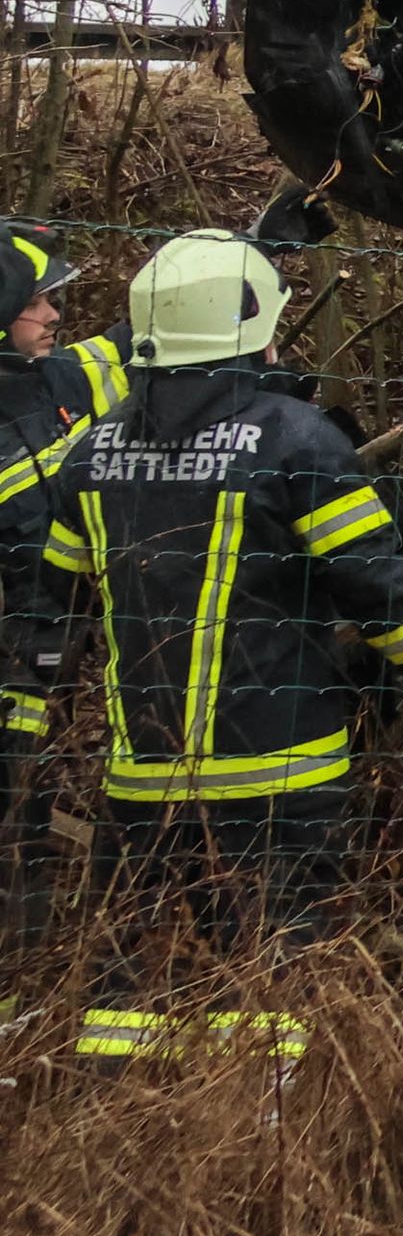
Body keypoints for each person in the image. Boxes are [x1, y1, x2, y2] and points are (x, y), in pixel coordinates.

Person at [10, 228, 403, 1068]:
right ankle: (260, 1123)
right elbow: (381, 593)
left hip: (142, 784)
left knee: (132, 993)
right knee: (269, 987)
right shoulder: (300, 442)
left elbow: (61, 600)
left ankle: (134, 1121)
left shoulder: (93, 451)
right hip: (281, 780)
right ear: (250, 328)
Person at [1, 226, 129, 983]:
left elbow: (149, 338)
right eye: (37, 300)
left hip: (43, 671)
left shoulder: (63, 378)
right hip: (14, 667)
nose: (55, 314)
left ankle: (15, 1010)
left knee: (22, 839)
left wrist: (258, 249)